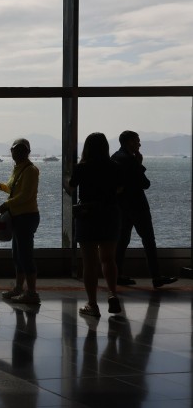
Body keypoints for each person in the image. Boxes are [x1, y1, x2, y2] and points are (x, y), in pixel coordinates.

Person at [66, 132, 123, 317]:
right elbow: (120, 188)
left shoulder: (82, 167)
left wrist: (66, 180)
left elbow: (71, 187)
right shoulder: (115, 167)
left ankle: (92, 304)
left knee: (89, 262)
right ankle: (113, 293)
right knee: (108, 258)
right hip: (110, 213)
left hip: (88, 214)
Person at [112, 131, 177, 289]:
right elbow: (145, 184)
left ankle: (117, 275)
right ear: (129, 142)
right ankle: (156, 276)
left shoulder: (114, 157)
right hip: (138, 206)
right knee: (148, 240)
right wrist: (139, 164)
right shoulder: (131, 160)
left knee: (122, 240)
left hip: (121, 206)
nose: (139, 144)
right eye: (137, 141)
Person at [0, 138, 41, 304]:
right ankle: (19, 288)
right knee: (17, 255)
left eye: (20, 150)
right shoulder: (18, 168)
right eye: (14, 150)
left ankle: (31, 291)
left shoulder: (31, 170)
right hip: (18, 217)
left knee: (25, 255)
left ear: (27, 152)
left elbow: (25, 195)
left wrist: (6, 204)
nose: (16, 153)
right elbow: (13, 189)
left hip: (26, 216)